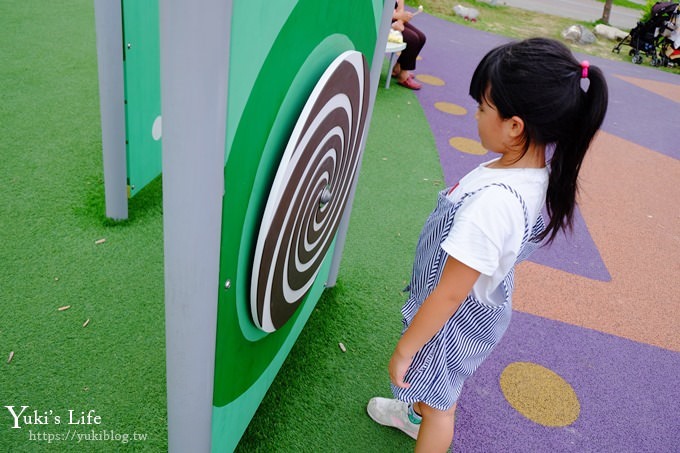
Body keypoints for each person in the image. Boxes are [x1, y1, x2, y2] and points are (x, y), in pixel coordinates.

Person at [367, 37, 608, 451]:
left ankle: (422, 419)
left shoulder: (493, 204)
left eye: (482, 107)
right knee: (437, 385)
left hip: (454, 318)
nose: (476, 115)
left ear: (515, 127)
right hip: (478, 305)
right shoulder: (530, 173)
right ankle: (415, 409)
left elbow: (449, 294)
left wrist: (406, 348)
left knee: (441, 404)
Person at [392, 0, 426, 90]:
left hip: (395, 19)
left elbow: (400, 7)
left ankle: (397, 68)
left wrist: (400, 21)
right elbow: (379, 11)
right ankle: (403, 76)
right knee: (412, 39)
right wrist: (399, 17)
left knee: (421, 38)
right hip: (382, 20)